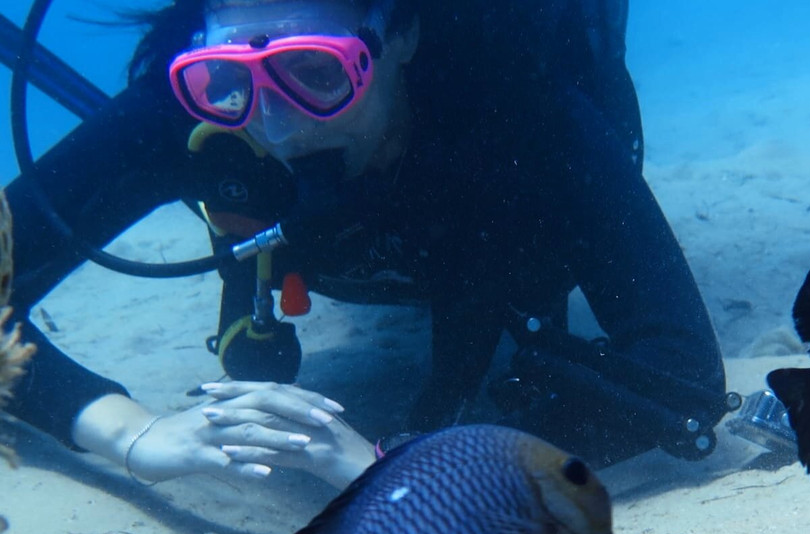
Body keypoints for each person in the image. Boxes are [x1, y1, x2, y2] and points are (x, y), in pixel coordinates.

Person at [4, 0, 728, 492]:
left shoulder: (520, 109)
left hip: (504, 225)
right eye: (230, 78)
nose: (281, 128)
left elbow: (682, 371)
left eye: (317, 73)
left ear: (401, 33)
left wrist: (409, 467)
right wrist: (130, 434)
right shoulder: (189, 110)